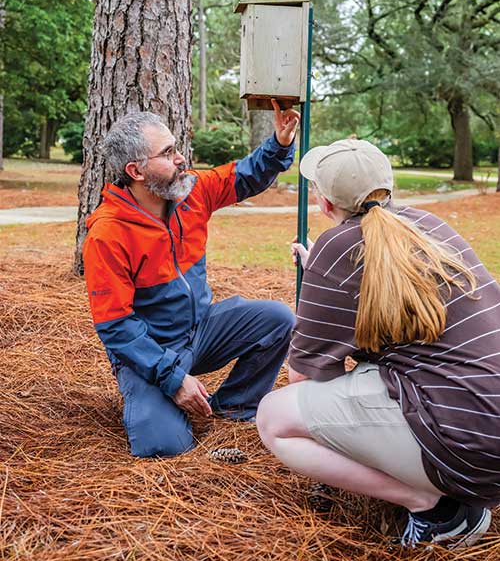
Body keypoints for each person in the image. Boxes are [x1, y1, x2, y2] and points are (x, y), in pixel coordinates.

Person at [256, 138, 500, 549]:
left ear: (325, 204)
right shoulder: (429, 224)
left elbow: (305, 375)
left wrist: (321, 281)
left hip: (472, 443)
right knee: (375, 374)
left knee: (274, 419)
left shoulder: (337, 249)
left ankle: (435, 509)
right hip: (486, 416)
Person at [83, 101, 299, 458]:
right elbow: (116, 326)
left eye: (176, 147)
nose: (181, 158)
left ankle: (231, 408)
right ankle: (161, 398)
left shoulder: (190, 192)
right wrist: (172, 378)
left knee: (278, 320)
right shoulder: (108, 234)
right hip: (150, 351)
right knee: (162, 447)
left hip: (200, 331)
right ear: (136, 170)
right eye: (167, 153)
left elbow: (244, 176)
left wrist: (279, 142)